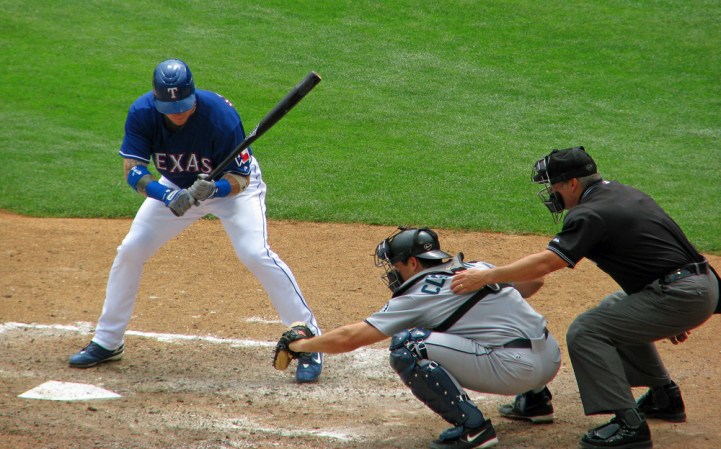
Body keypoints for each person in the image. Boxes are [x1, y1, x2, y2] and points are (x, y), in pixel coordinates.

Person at [68, 59, 323, 383]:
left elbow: (240, 179)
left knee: (255, 253)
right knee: (132, 248)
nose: (176, 112)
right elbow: (132, 169)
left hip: (232, 192)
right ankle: (108, 340)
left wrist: (215, 188)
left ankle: (310, 341)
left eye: (182, 106)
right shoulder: (143, 113)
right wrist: (167, 195)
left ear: (193, 95)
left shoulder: (220, 116)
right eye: (168, 106)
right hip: (175, 187)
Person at [451, 147, 719, 448]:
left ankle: (630, 425)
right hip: (699, 284)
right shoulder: (622, 192)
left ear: (573, 183)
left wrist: (486, 275)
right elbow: (665, 247)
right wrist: (675, 310)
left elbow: (547, 263)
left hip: (681, 294)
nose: (551, 192)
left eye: (553, 184)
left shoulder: (590, 213)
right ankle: (664, 397)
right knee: (614, 306)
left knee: (586, 330)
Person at [286, 227, 561, 449]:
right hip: (551, 359)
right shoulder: (475, 268)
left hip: (515, 370)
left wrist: (302, 345)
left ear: (413, 262)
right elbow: (534, 282)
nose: (392, 271)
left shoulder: (417, 295)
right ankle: (536, 401)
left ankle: (473, 429)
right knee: (486, 321)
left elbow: (350, 338)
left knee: (409, 345)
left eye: (395, 264)